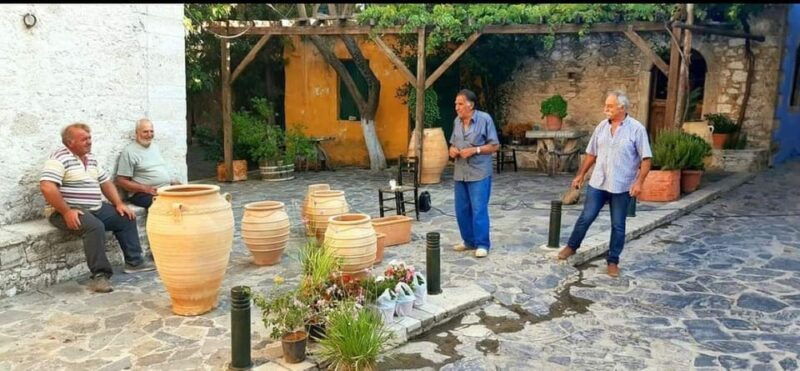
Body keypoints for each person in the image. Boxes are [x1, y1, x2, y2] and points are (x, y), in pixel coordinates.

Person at [40, 123, 155, 294]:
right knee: (94, 227)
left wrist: (118, 203)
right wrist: (66, 211)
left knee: (125, 217)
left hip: (95, 208)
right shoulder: (58, 158)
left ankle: (135, 262)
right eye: (84, 139)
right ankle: (100, 276)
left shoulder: (91, 158)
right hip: (64, 211)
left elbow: (105, 182)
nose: (89, 142)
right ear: (70, 142)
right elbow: (47, 187)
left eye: (89, 138)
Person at [557, 91, 652, 277]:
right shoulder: (601, 127)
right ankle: (572, 246)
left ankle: (613, 261)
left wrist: (639, 182)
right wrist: (580, 175)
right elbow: (591, 154)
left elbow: (646, 159)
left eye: (609, 106)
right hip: (598, 182)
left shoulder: (636, 129)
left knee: (618, 225)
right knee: (586, 217)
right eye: (606, 105)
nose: (605, 109)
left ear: (621, 108)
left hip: (622, 185)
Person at [448, 89, 500, 258]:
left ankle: (482, 244)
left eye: (460, 104)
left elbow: (495, 146)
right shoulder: (456, 121)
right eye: (456, 104)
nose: (457, 107)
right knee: (461, 210)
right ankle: (468, 241)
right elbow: (452, 143)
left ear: (470, 105)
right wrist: (452, 150)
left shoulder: (485, 119)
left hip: (479, 173)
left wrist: (475, 150)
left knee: (479, 209)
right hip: (460, 172)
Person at [115, 118, 179, 208]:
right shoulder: (129, 151)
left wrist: (172, 182)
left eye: (151, 131)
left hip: (164, 189)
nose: (149, 135)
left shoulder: (155, 147)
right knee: (168, 205)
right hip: (143, 194)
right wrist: (145, 188)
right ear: (136, 133)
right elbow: (121, 181)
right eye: (145, 132)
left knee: (189, 197)